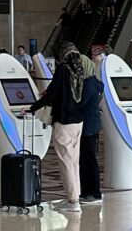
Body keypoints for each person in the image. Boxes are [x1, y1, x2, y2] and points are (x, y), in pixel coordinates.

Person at [30, 41, 84, 213]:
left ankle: (73, 200)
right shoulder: (78, 70)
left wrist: (32, 107)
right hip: (78, 121)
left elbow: (52, 94)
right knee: (74, 161)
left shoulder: (62, 70)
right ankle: (76, 194)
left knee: (66, 162)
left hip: (64, 121)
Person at [78, 55, 104, 204]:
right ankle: (86, 191)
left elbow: (80, 103)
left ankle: (94, 193)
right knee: (86, 160)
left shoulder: (88, 85)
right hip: (92, 125)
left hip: (87, 127)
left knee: (89, 161)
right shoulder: (96, 83)